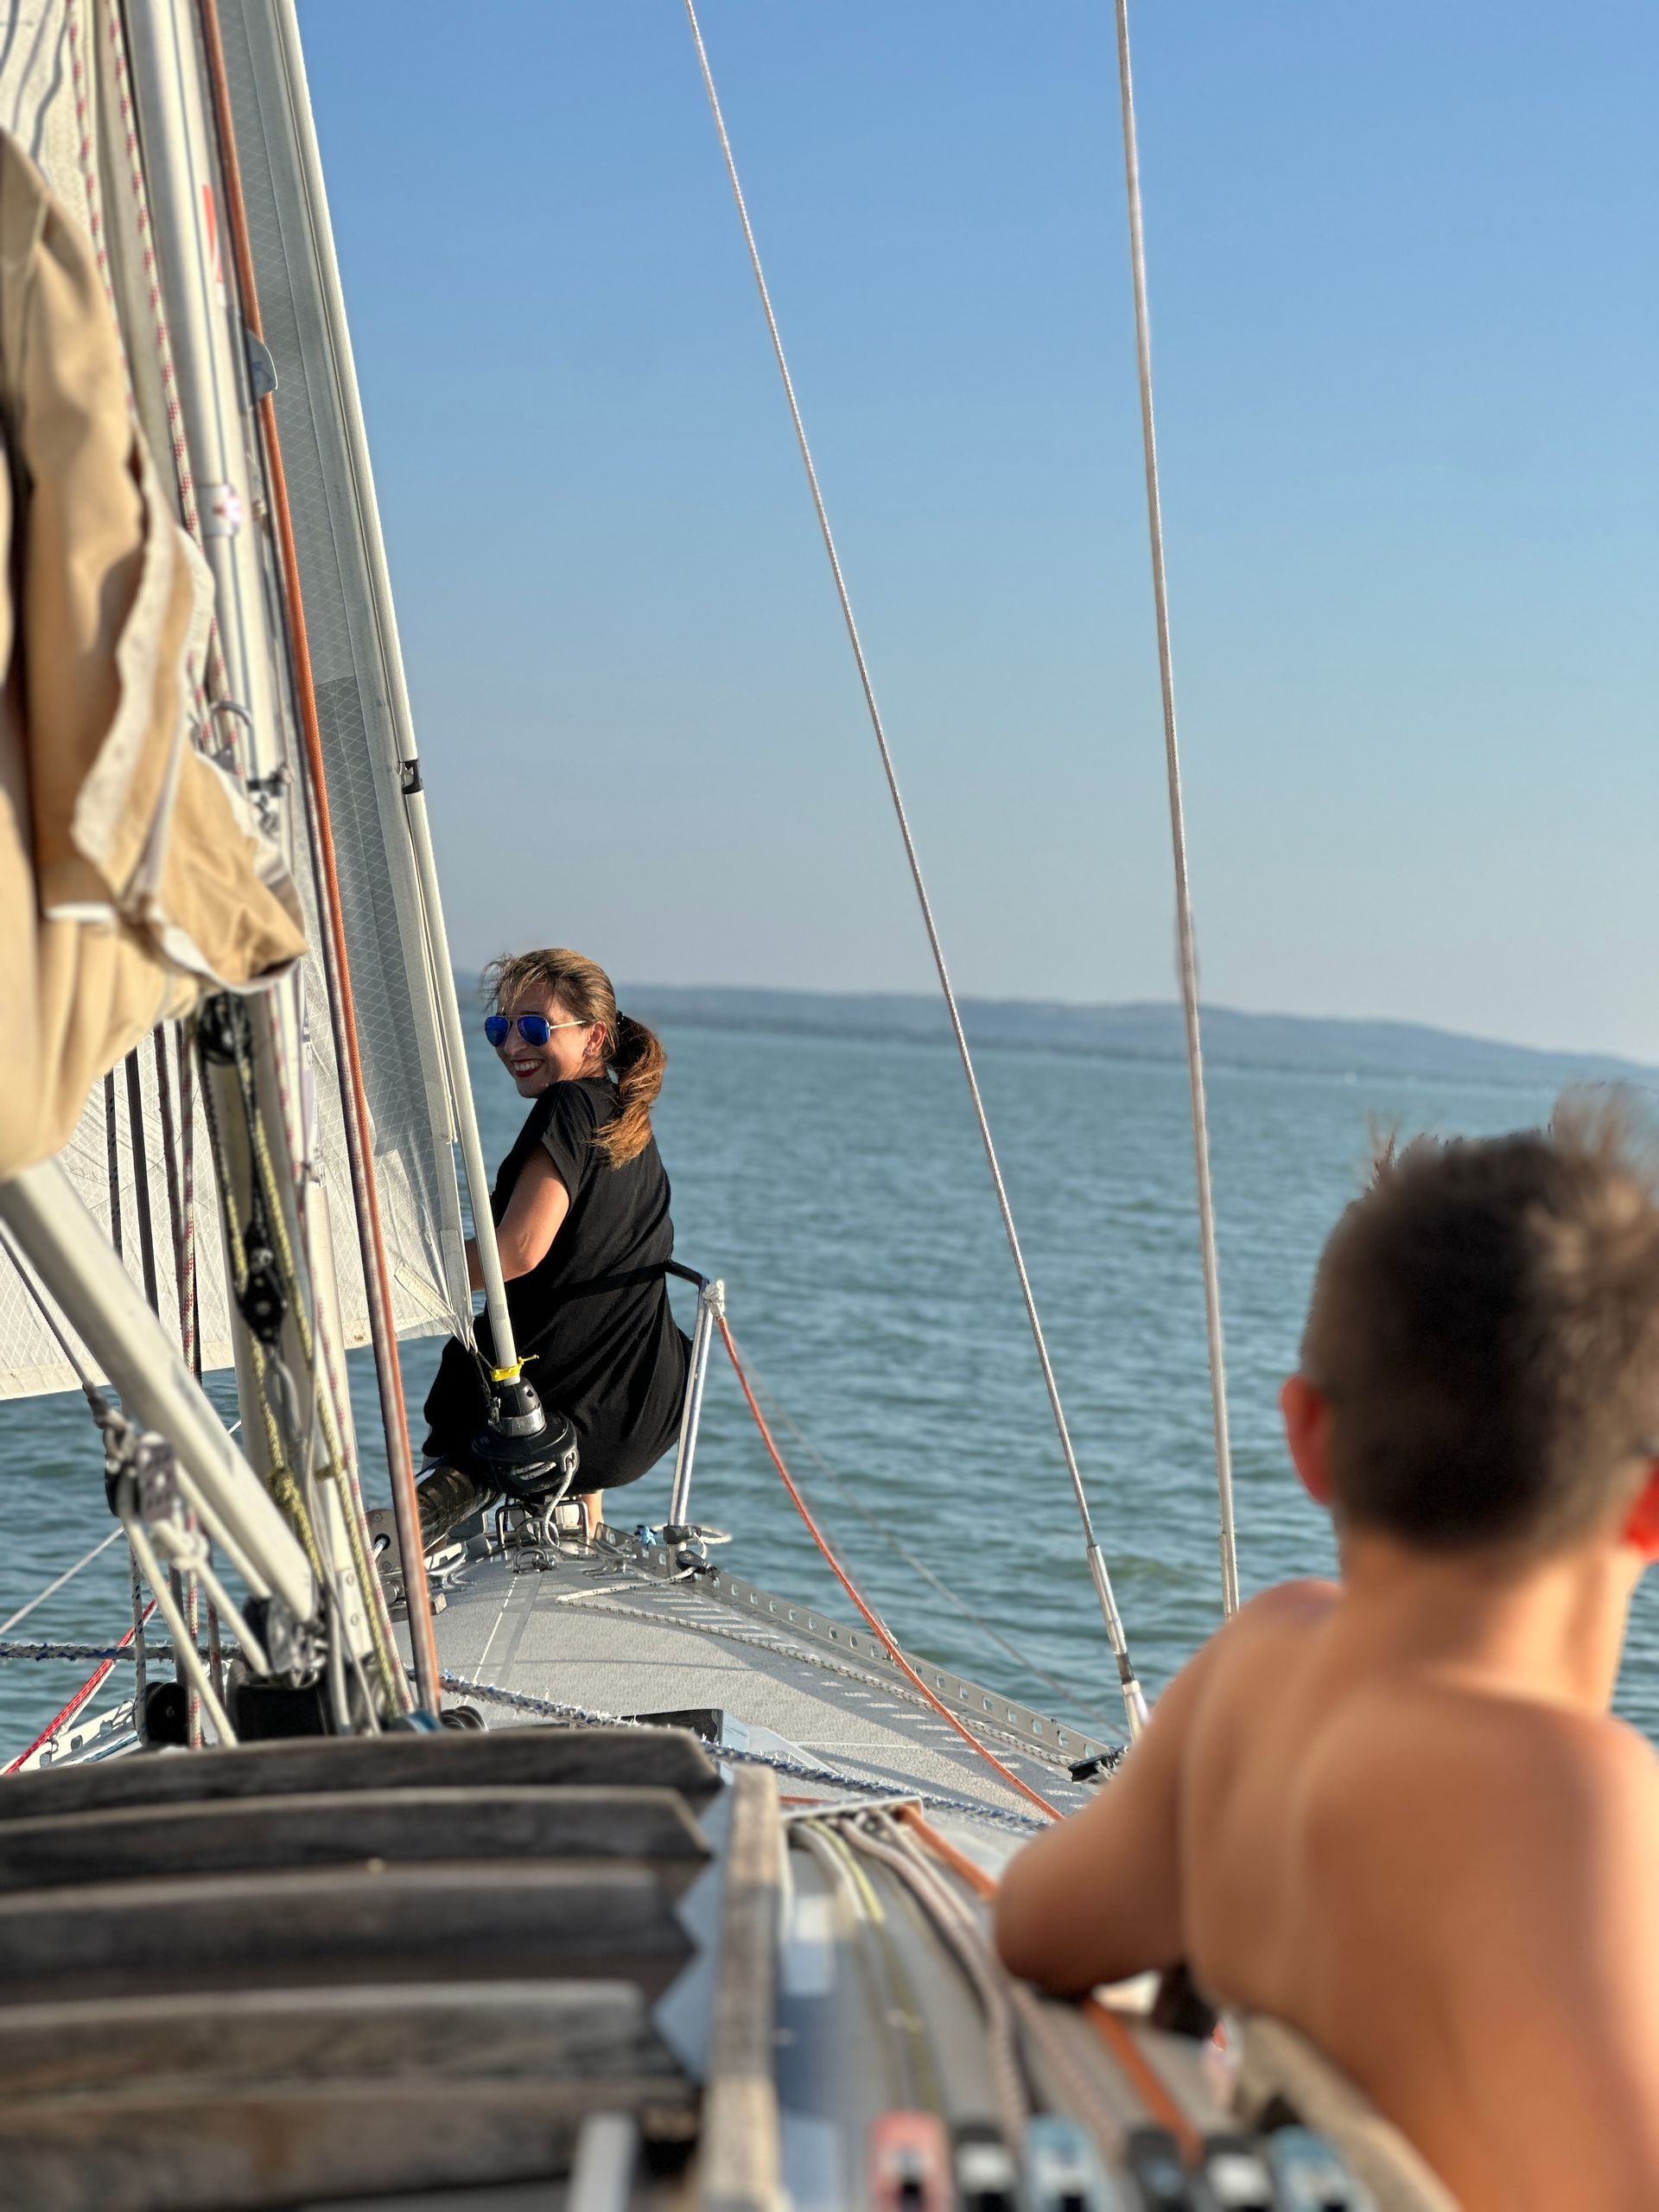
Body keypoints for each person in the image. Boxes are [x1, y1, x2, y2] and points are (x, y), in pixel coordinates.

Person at [995, 1101, 1659, 2211]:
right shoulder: (1577, 1801)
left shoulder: (1265, 1670)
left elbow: (1039, 1928)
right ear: (1647, 1507)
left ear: (1309, 1439)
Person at [416, 948, 689, 1545]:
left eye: (535, 1026)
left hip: (552, 1425)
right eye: (501, 1026)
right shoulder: (625, 1122)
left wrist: (392, 1282)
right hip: (635, 1416)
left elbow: (518, 1250)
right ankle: (580, 1526)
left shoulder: (566, 1106)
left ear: (593, 1036)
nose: (513, 1044)